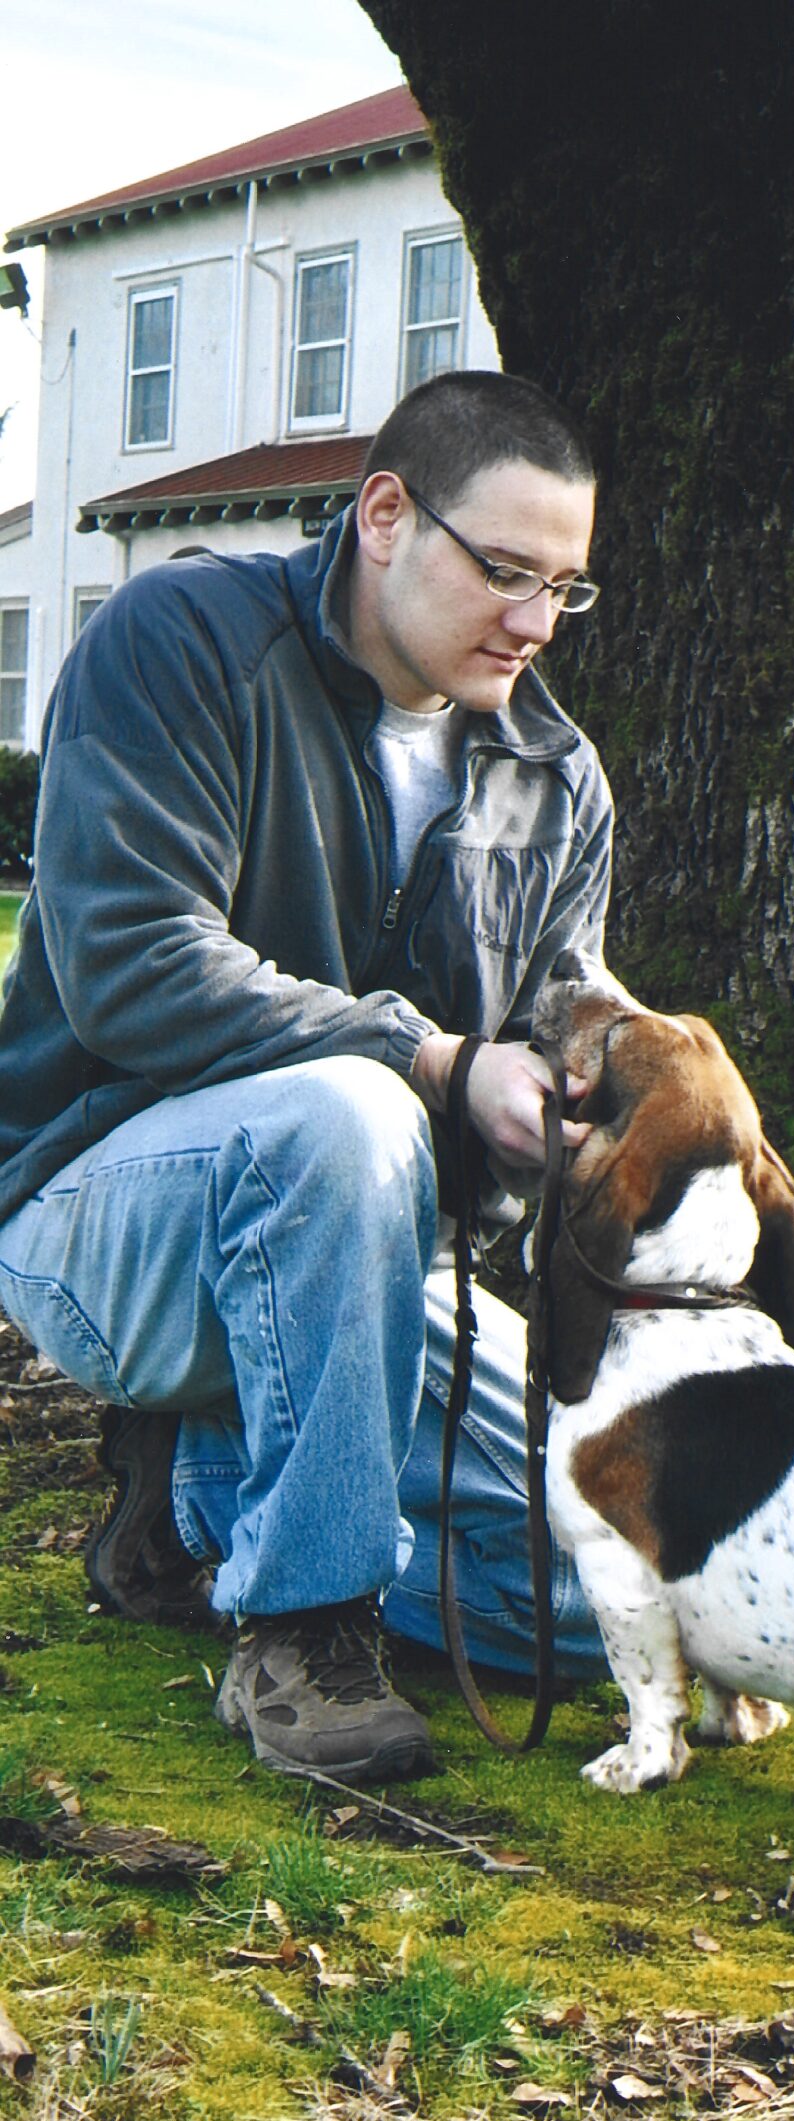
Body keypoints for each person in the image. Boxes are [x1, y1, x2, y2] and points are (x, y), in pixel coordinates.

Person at [0, 369, 618, 1783]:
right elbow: (131, 965)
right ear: (387, 515)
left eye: (564, 589)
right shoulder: (185, 640)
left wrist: (590, 1074)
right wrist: (432, 1056)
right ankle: (304, 1628)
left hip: (378, 1269)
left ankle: (201, 1498)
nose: (532, 624)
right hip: (102, 1209)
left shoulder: (550, 773)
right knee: (346, 1109)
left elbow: (553, 1014)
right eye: (506, 572)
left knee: (609, 1595)